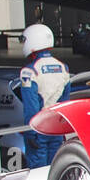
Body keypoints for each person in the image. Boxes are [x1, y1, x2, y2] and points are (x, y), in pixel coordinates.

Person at [15, 23, 71, 167]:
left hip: (38, 130)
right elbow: (65, 102)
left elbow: (31, 107)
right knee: (56, 172)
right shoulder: (63, 68)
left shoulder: (29, 71)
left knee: (38, 175)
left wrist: (31, 132)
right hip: (56, 129)